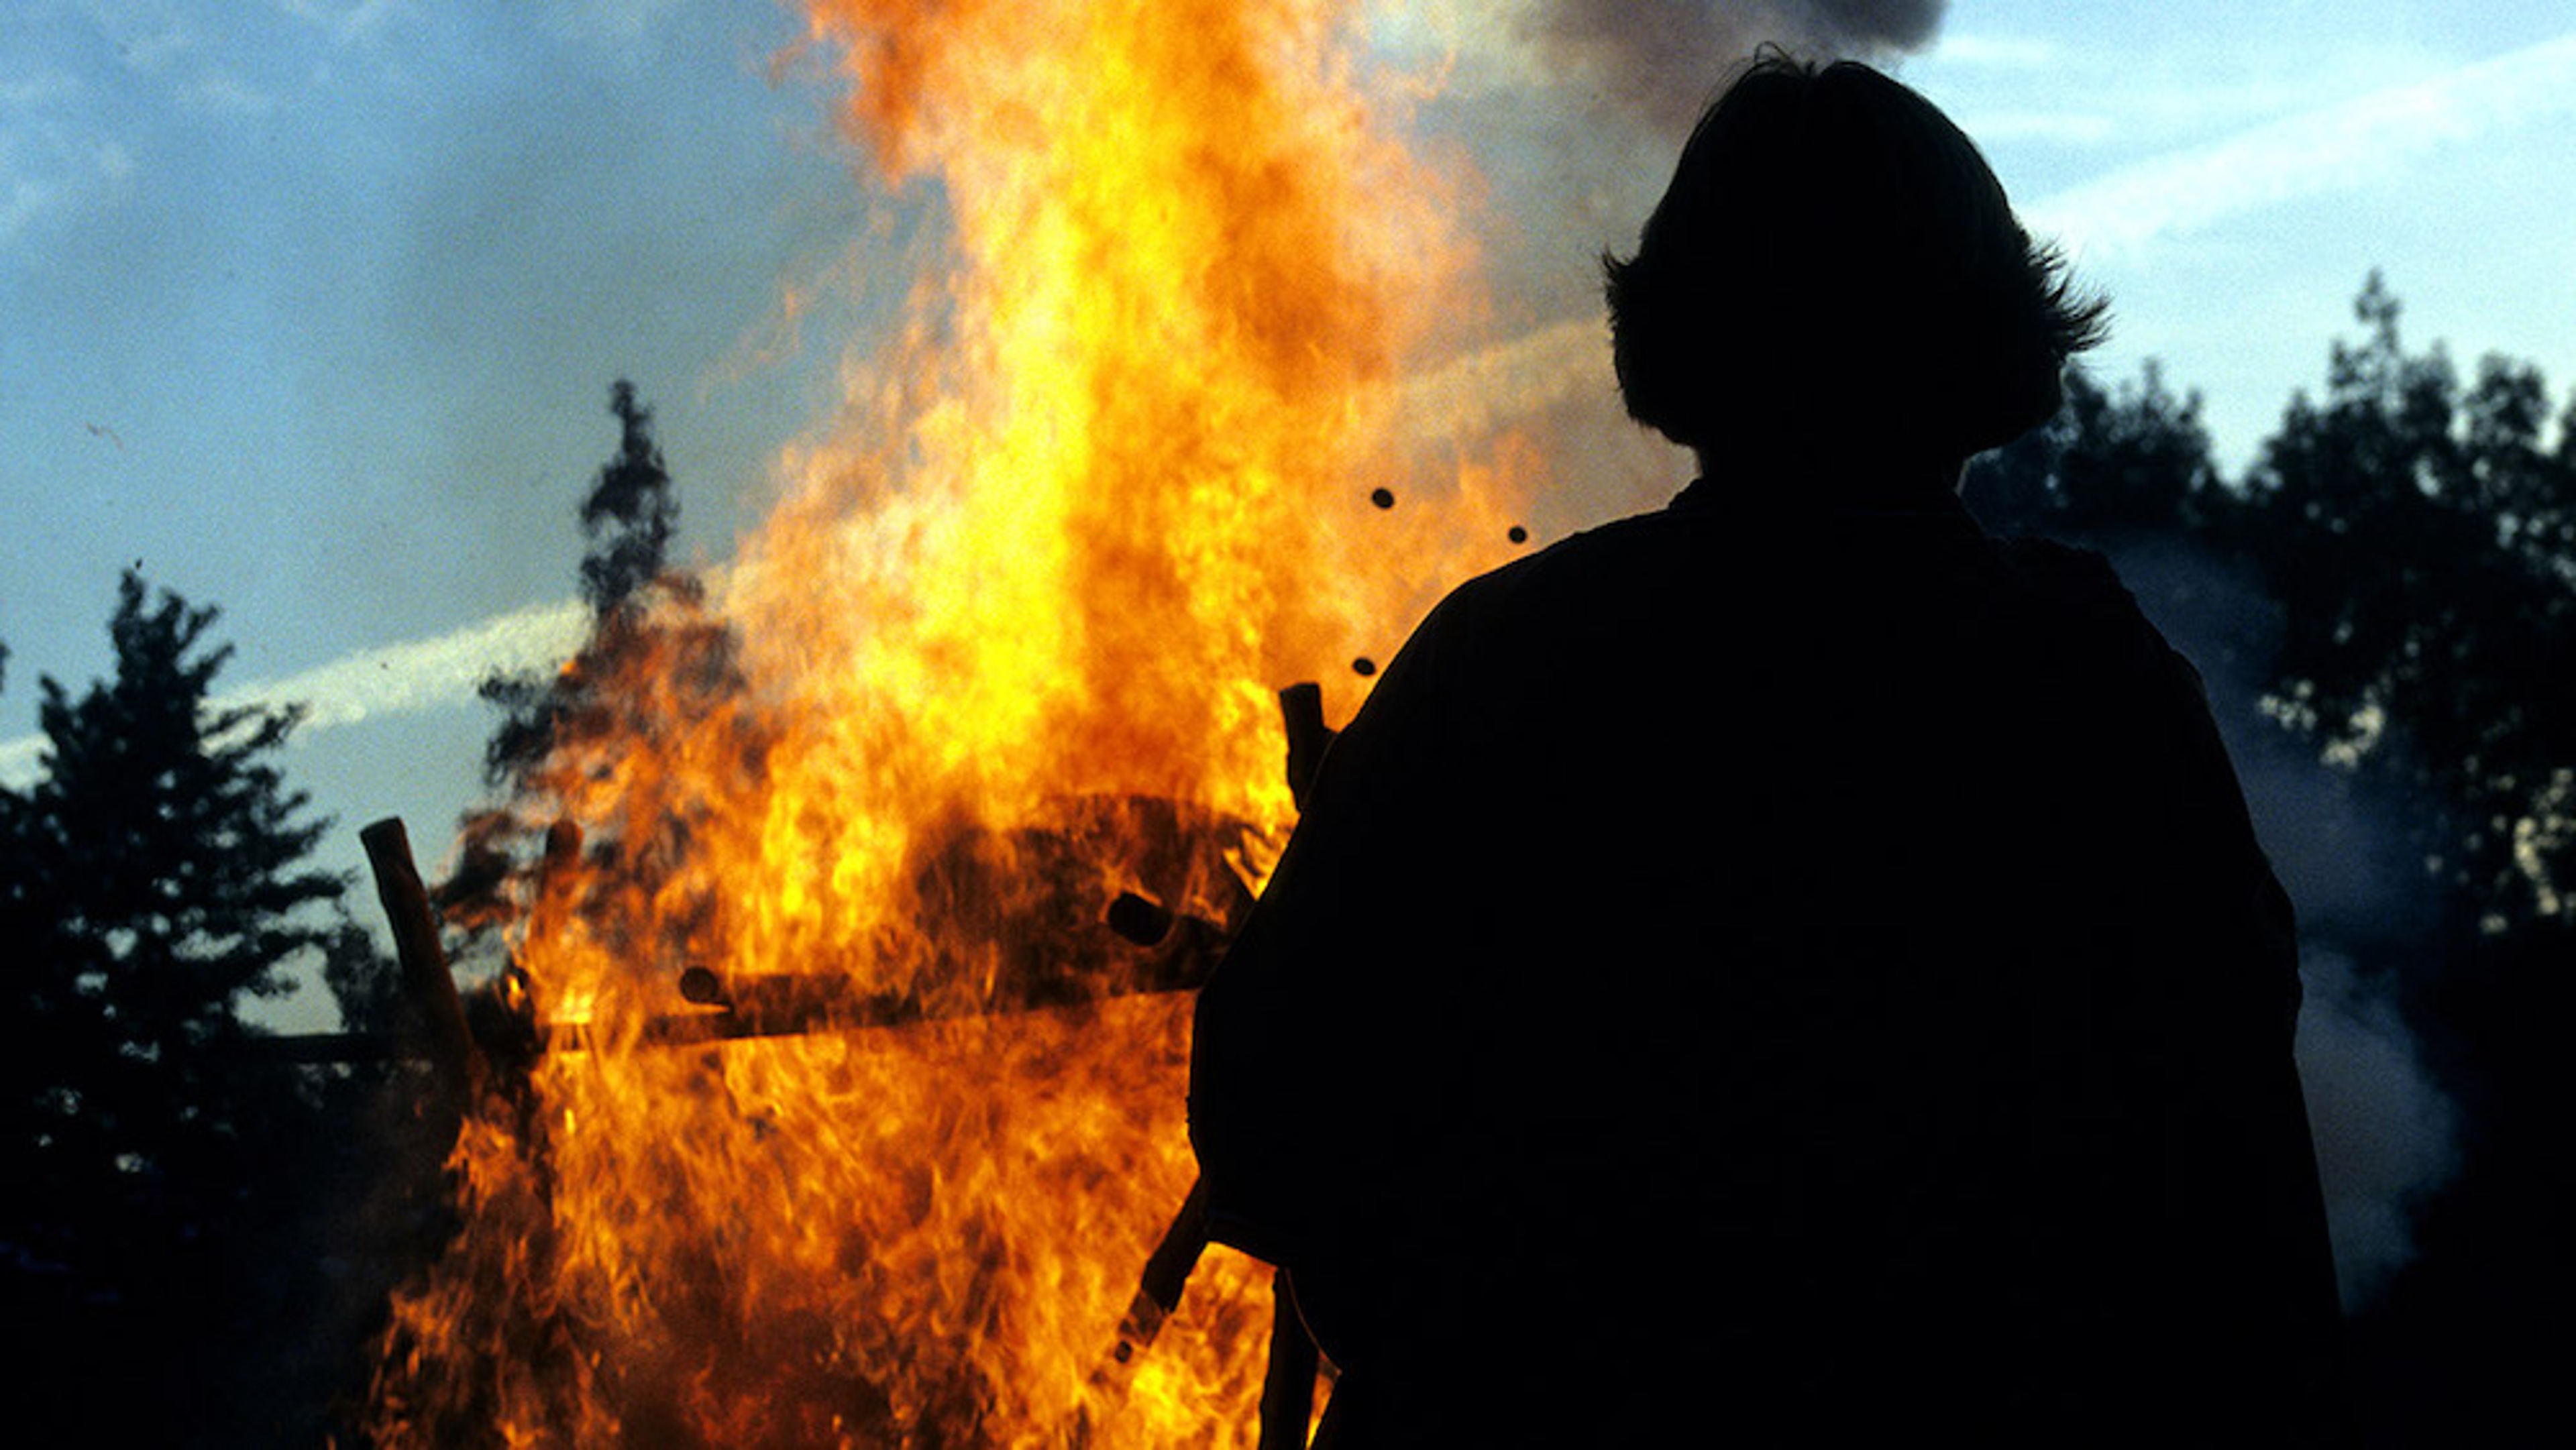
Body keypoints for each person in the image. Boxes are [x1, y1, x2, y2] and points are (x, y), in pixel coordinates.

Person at [1189, 54, 2347, 1447]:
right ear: (1985, 346)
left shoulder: (1506, 660)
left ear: (1683, 336)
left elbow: (1265, 1129)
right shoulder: (2089, 687)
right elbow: (2243, 1206)